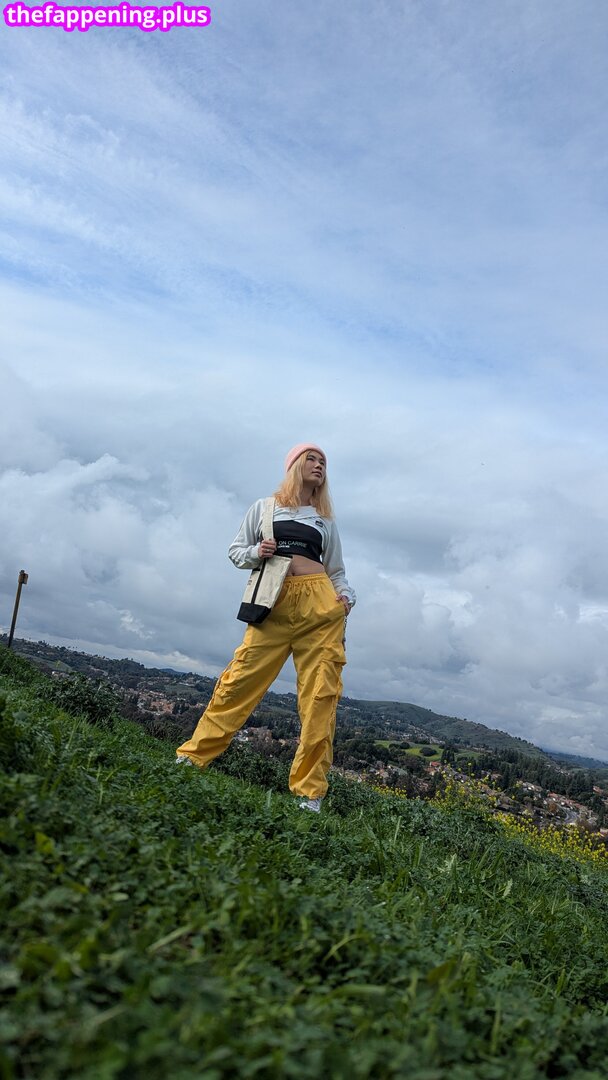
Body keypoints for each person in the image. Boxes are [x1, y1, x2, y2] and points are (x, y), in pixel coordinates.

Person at [175, 443, 355, 812]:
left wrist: (345, 597)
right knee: (238, 682)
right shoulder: (264, 507)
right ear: (294, 465)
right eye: (311, 458)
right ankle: (192, 757)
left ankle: (310, 793)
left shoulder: (325, 521)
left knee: (321, 696)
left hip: (321, 607)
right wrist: (258, 552)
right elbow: (236, 551)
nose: (319, 465)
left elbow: (336, 570)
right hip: (273, 604)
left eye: (323, 461)